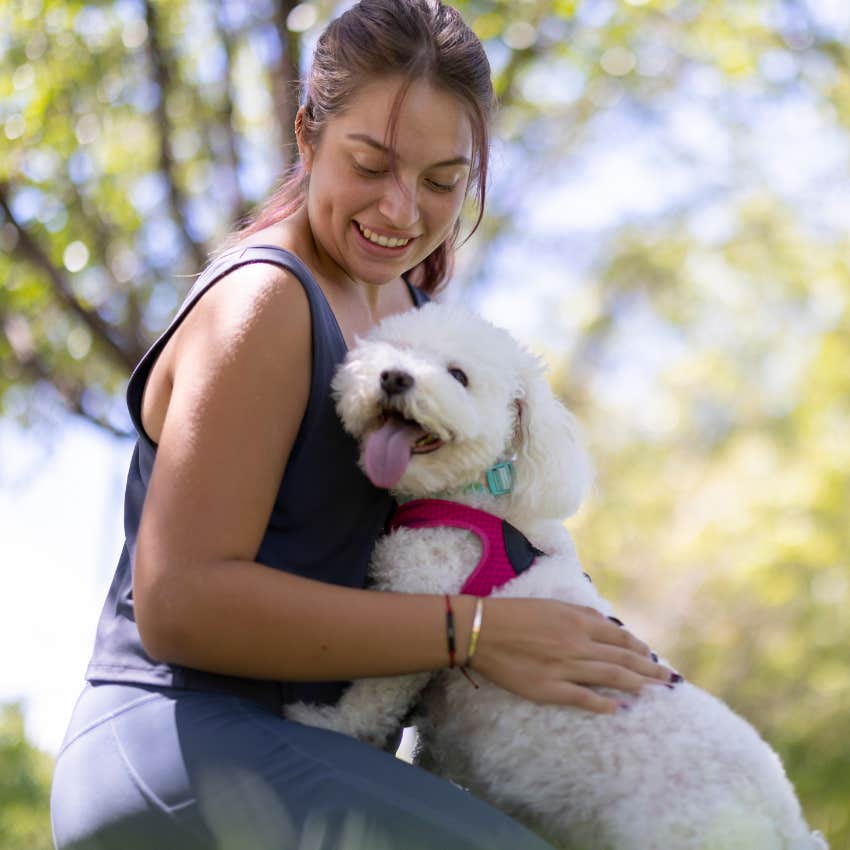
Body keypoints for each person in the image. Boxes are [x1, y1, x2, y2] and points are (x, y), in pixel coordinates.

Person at [50, 2, 676, 848]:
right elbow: (179, 602)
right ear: (307, 133)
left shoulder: (414, 324)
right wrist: (474, 634)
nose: (401, 209)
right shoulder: (266, 302)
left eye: (442, 181)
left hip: (331, 758)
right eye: (371, 164)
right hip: (184, 743)